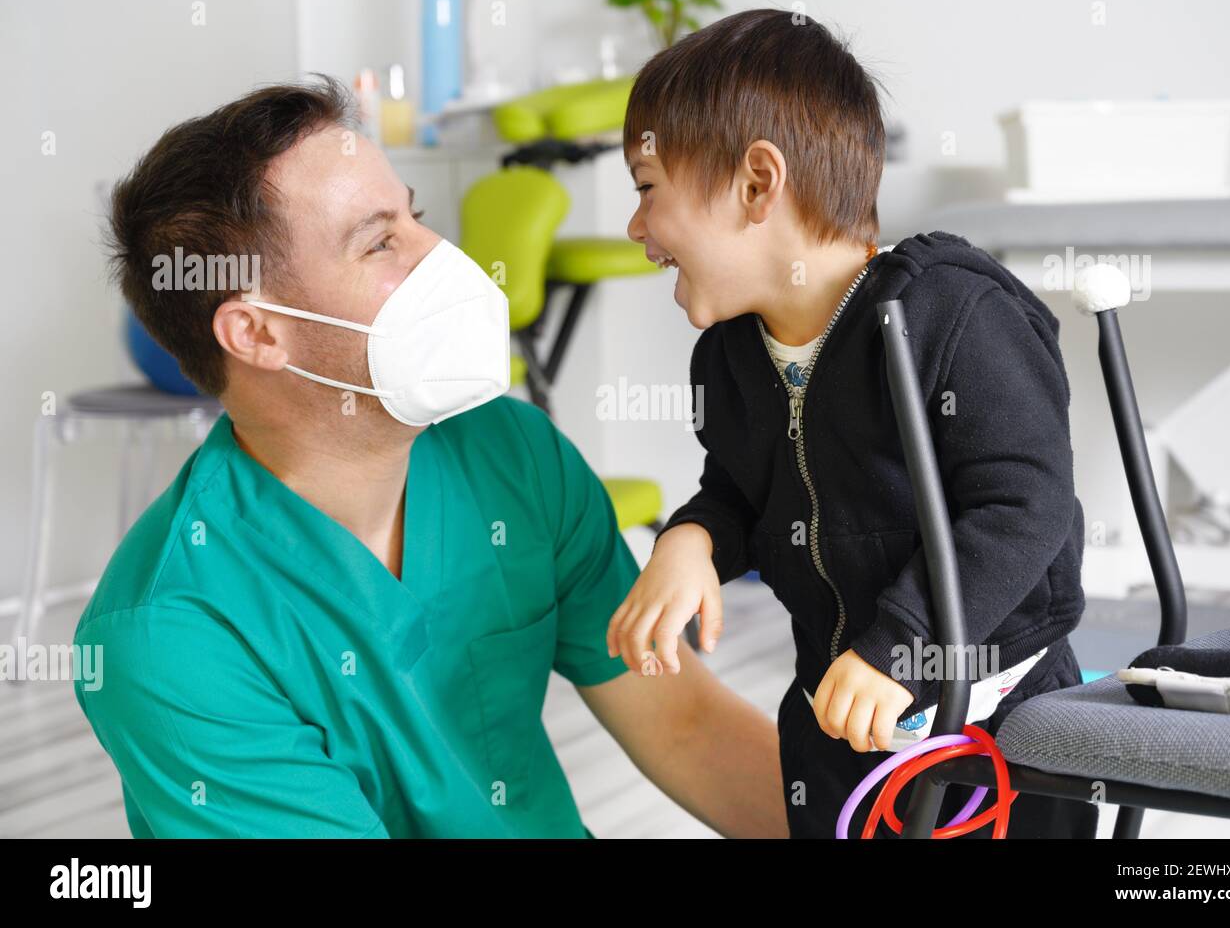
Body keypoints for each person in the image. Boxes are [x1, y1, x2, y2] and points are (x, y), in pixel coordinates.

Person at [73, 77, 786, 838]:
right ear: (256, 334)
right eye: (380, 241)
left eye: (416, 218)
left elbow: (686, 730)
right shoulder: (169, 636)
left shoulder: (512, 454)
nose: (443, 256)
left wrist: (862, 822)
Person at [608, 8, 1098, 839]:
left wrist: (899, 647)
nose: (636, 227)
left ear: (759, 184)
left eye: (647, 189)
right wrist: (693, 538)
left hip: (1002, 722)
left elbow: (1026, 507)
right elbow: (738, 493)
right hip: (836, 718)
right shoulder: (730, 360)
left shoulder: (953, 313)